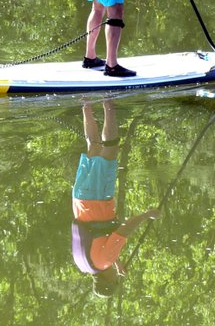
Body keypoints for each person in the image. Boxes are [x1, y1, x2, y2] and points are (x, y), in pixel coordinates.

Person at [71, 100, 160, 297]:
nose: (117, 277)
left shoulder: (104, 261)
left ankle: (108, 103)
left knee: (110, 149)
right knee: (93, 147)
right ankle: (86, 105)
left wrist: (147, 215)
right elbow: (97, 241)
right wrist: (115, 260)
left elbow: (125, 229)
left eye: (115, 281)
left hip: (97, 198)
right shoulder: (84, 266)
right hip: (79, 199)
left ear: (110, 281)